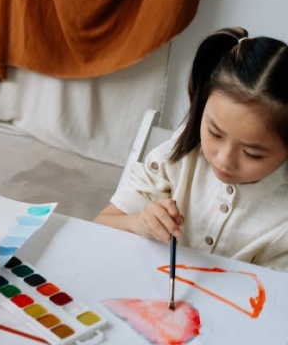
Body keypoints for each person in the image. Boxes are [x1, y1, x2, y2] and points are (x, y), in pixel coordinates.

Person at [95, 27, 288, 271]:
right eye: (215, 133)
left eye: (252, 153)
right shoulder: (175, 159)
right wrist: (137, 223)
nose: (224, 159)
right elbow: (99, 226)